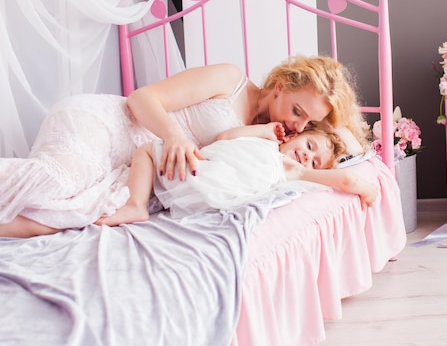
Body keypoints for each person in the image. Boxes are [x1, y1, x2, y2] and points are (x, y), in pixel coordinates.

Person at [0, 55, 368, 238]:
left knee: (61, 219)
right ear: (281, 85)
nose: (298, 125)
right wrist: (175, 135)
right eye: (297, 111)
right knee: (53, 183)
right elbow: (140, 99)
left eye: (308, 123)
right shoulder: (230, 80)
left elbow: (346, 146)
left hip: (129, 169)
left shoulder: (269, 141)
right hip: (106, 126)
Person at [95, 122, 378, 227]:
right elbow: (226, 136)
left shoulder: (294, 170)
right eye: (309, 146)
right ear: (294, 136)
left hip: (204, 180)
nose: (308, 156)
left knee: (146, 150)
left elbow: (345, 179)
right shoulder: (265, 143)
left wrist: (369, 189)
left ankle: (136, 205)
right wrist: (264, 130)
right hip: (205, 190)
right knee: (158, 154)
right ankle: (139, 203)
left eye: (316, 162)